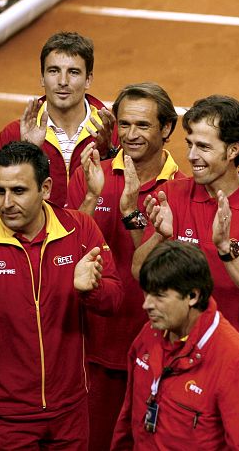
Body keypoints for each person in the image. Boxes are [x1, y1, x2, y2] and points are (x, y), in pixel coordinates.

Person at [132, 94, 239, 369]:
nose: (192, 155)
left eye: (204, 147)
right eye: (190, 144)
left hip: (238, 361)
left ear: (232, 151)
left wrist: (225, 249)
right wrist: (161, 236)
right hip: (176, 356)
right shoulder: (170, 195)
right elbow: (138, 271)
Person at [67, 82, 184, 451]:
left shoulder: (183, 189)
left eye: (143, 125)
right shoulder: (91, 177)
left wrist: (132, 214)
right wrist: (90, 198)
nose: (131, 135)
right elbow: (64, 253)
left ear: (166, 129)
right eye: (124, 124)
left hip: (157, 351)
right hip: (92, 348)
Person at [0, 141, 121, 449]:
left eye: (19, 191)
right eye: (0, 191)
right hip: (6, 417)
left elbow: (114, 298)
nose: (6, 203)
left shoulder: (79, 229)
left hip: (70, 411)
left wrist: (91, 290)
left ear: (46, 188)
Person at [111, 240, 239, 450]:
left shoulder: (236, 362)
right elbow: (127, 424)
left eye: (159, 296)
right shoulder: (148, 335)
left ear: (192, 295)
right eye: (146, 293)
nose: (147, 305)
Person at [0, 32, 117, 207]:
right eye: (54, 71)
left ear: (88, 79)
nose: (63, 81)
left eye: (74, 72)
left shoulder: (111, 131)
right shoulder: (14, 134)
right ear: (42, 77)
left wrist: (109, 153)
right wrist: (28, 151)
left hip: (97, 233)